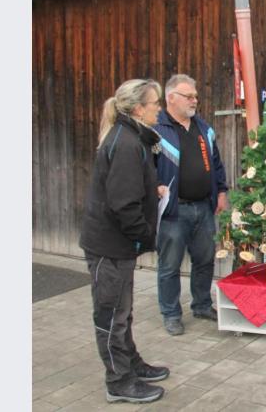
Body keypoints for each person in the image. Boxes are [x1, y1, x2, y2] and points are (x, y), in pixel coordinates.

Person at [79, 79, 168, 404]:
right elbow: (123, 204)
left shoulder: (132, 138)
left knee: (122, 311)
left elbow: (128, 190)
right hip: (109, 247)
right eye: (154, 102)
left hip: (117, 245)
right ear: (137, 109)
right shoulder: (127, 142)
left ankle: (131, 364)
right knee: (111, 315)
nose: (159, 107)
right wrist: (144, 236)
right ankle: (118, 381)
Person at [153, 74, 229, 336]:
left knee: (205, 259)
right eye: (189, 96)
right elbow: (142, 169)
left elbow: (216, 164)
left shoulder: (204, 128)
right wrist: (153, 188)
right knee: (170, 265)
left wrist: (221, 191)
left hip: (204, 208)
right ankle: (171, 313)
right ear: (171, 98)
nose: (194, 100)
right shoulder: (155, 130)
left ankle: (202, 304)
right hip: (174, 212)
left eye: (195, 96)